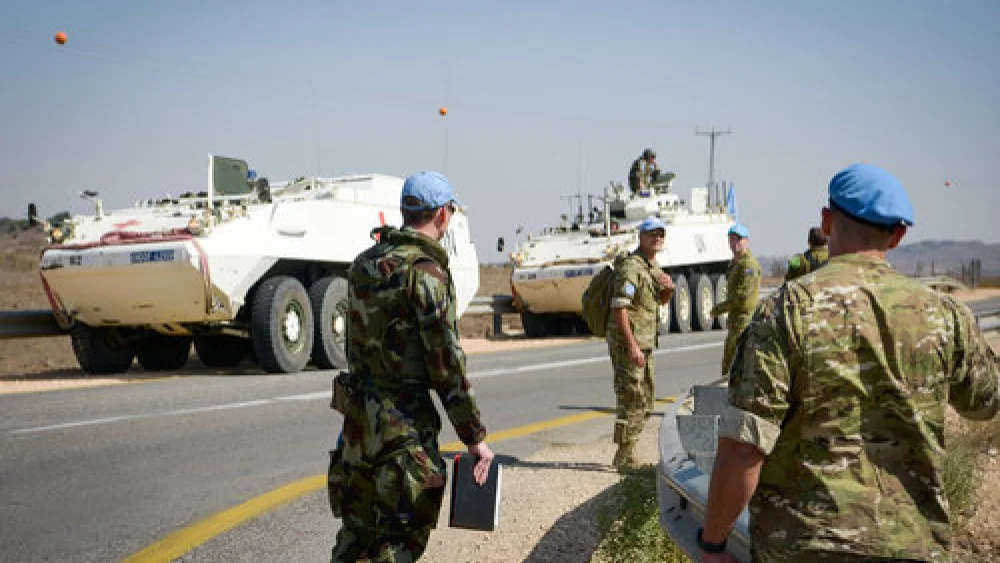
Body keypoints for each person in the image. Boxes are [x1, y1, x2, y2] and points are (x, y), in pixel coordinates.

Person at [699, 163, 999, 562]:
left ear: (827, 221)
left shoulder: (786, 311)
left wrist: (713, 543)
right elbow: (984, 403)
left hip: (804, 547)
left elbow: (744, 447)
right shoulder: (946, 316)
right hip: (912, 545)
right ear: (898, 236)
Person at [328, 171, 495, 562]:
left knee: (356, 537)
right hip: (402, 430)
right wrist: (474, 437)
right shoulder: (426, 274)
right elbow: (446, 364)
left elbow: (354, 347)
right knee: (399, 542)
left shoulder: (363, 264)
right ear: (442, 214)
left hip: (357, 426)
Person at [607, 216, 674, 469]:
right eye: (652, 234)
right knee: (632, 397)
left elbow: (657, 302)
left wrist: (668, 290)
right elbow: (620, 308)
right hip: (629, 344)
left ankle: (629, 449)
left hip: (645, 343)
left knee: (647, 398)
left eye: (661, 234)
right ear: (641, 237)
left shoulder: (652, 266)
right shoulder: (631, 268)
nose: (657, 238)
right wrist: (632, 345)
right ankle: (624, 455)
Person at [709, 223, 761, 375]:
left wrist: (718, 309)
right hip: (735, 322)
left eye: (739, 239)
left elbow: (742, 297)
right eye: (731, 239)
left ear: (746, 241)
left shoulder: (748, 265)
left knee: (735, 367)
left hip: (744, 322)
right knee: (730, 367)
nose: (735, 243)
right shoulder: (736, 264)